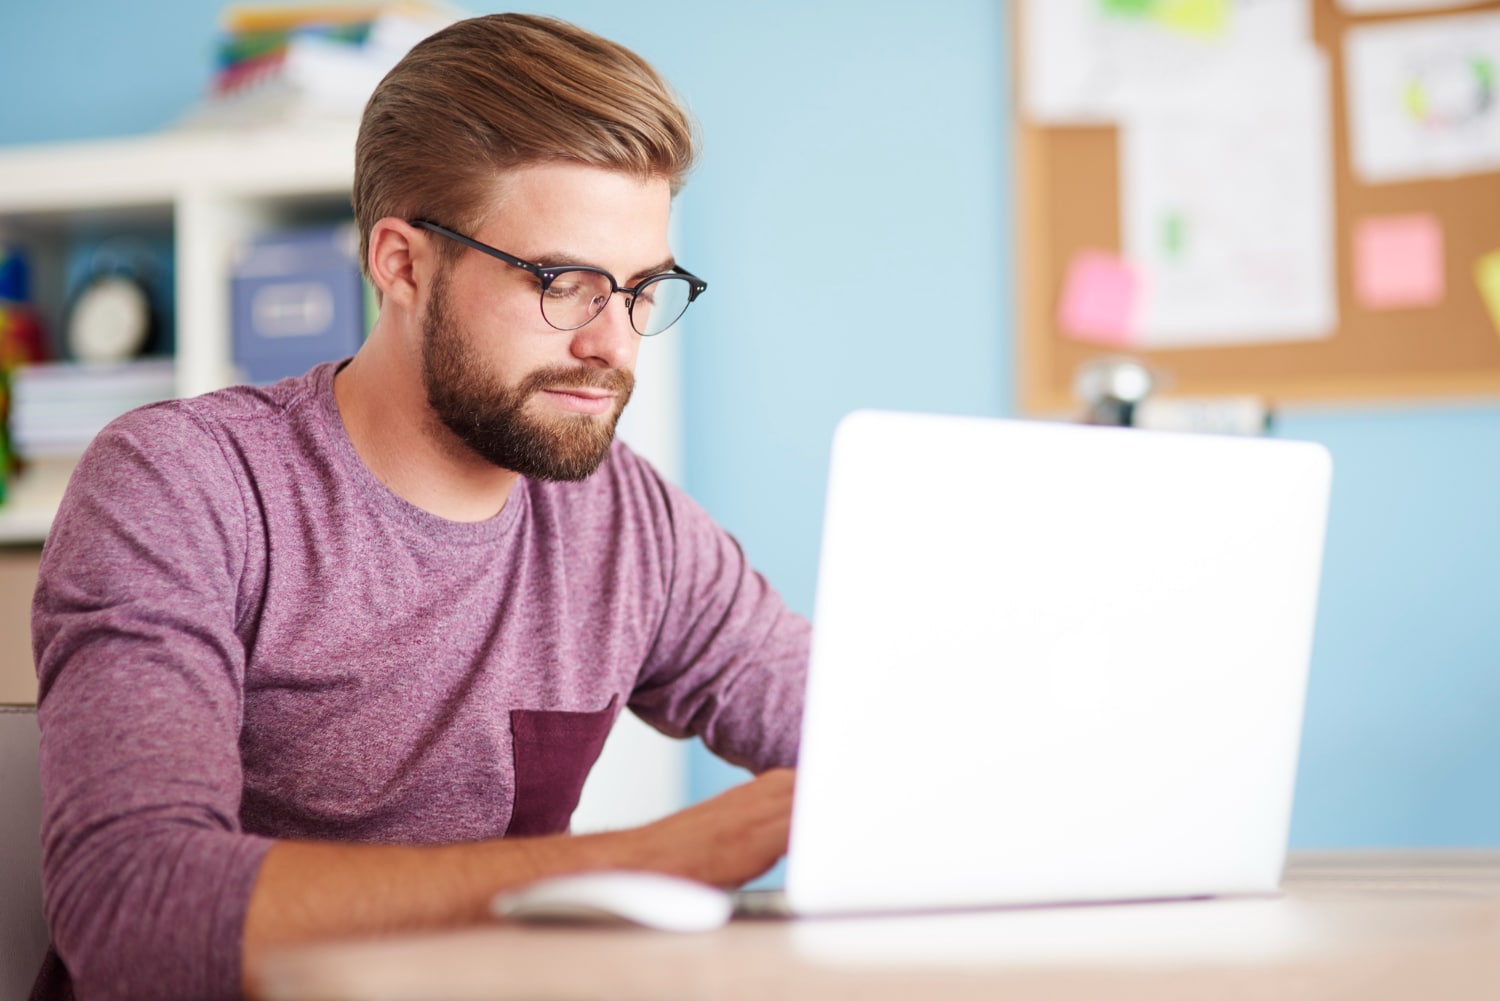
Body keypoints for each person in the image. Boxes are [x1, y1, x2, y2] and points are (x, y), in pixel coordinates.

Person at [30, 14, 809, 1001]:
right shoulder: (183, 484)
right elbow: (136, 911)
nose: (613, 344)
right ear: (402, 264)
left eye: (641, 289)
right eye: (566, 283)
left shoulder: (628, 525)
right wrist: (653, 862)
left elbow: (862, 731)